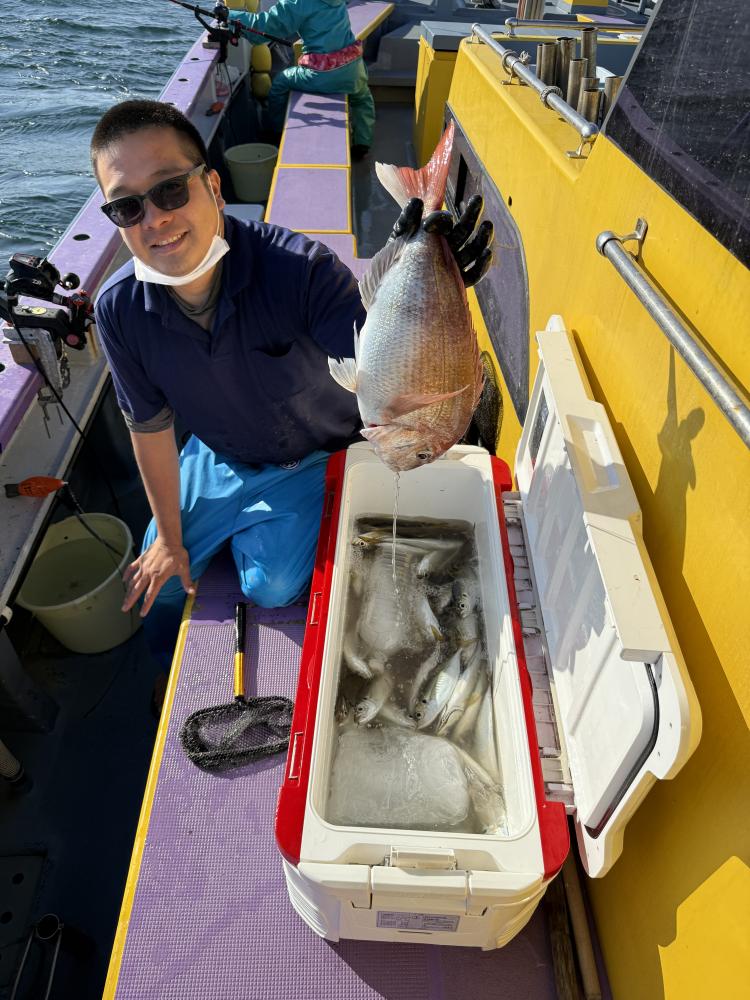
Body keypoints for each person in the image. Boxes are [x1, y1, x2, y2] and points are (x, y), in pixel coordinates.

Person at [90, 100, 493, 664]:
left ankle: (245, 531)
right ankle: (159, 666)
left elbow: (380, 347)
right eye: (127, 206)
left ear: (213, 186)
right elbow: (150, 428)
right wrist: (171, 540)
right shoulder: (118, 309)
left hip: (312, 456)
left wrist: (437, 291)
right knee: (155, 574)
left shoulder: (300, 269)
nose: (153, 218)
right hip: (216, 453)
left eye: (170, 190)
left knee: (271, 587)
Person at [227, 0, 375, 158]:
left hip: (321, 74)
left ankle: (276, 132)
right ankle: (362, 143)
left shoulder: (298, 2)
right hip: (353, 68)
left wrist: (229, 15)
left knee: (280, 82)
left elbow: (263, 27)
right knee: (362, 98)